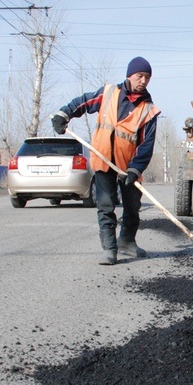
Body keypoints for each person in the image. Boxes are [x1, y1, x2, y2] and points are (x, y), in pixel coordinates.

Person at [51, 56, 160, 265]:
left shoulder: (148, 109)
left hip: (129, 166)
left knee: (132, 206)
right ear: (130, 75)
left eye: (147, 77)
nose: (144, 81)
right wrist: (63, 114)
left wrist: (135, 170)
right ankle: (110, 249)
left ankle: (127, 241)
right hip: (103, 161)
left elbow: (146, 144)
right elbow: (82, 102)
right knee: (106, 205)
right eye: (140, 76)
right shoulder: (109, 93)